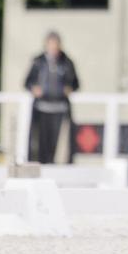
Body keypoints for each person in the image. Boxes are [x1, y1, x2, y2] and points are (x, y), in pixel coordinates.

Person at [24, 31, 79, 164]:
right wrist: (34, 88)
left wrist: (68, 89)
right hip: (41, 109)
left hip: (60, 110)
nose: (54, 48)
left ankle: (54, 169)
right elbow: (27, 82)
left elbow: (76, 84)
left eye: (56, 45)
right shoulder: (38, 61)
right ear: (46, 45)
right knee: (40, 144)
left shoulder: (67, 62)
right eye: (51, 45)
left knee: (57, 146)